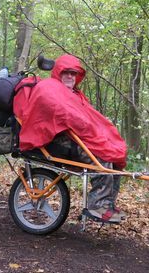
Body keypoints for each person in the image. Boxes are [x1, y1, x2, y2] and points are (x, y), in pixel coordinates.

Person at [13, 54, 127, 223]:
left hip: (74, 139)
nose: (70, 76)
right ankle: (98, 207)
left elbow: (87, 117)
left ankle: (107, 205)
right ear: (58, 72)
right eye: (66, 72)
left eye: (73, 73)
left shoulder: (74, 94)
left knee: (114, 159)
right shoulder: (49, 87)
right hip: (56, 142)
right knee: (103, 160)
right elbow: (67, 115)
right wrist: (89, 129)